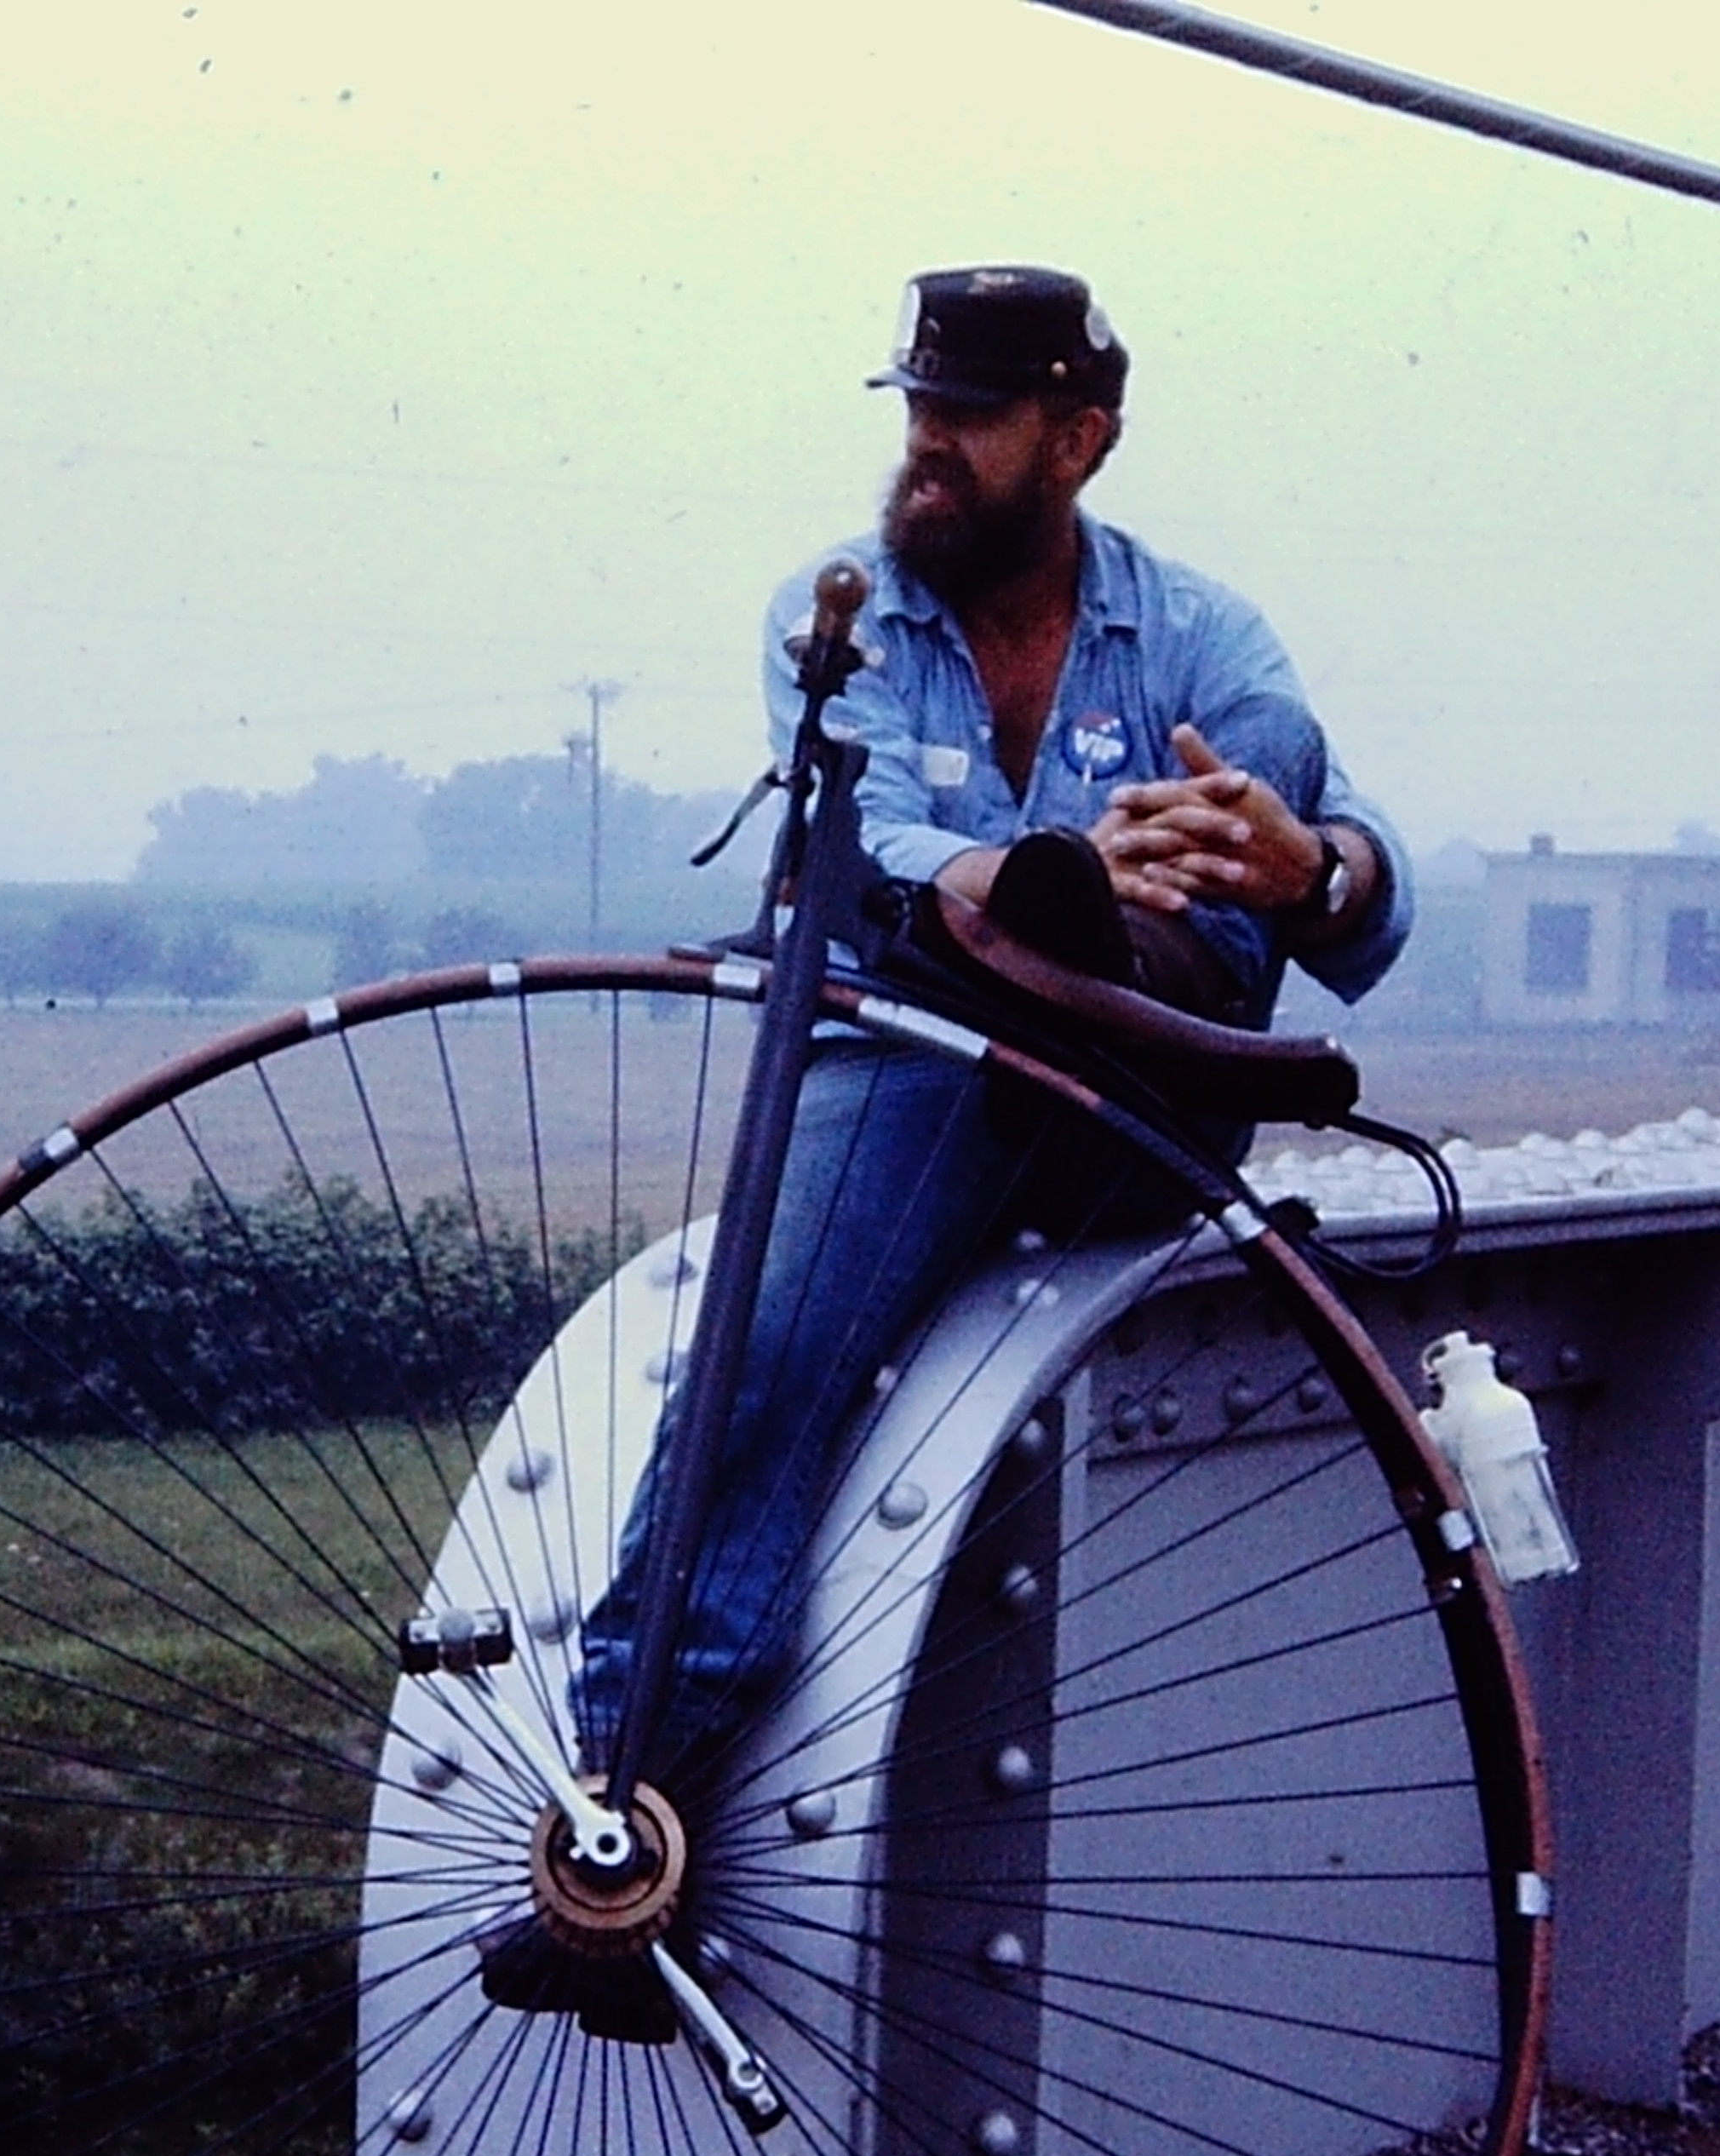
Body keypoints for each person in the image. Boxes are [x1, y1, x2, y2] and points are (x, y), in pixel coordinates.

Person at [537, 267, 1413, 1952]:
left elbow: (1338, 866)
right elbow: (866, 849)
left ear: (1079, 438)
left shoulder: (1210, 640)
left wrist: (1313, 868)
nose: (926, 449)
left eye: (971, 418)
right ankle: (627, 1784)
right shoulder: (842, 616)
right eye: (917, 410)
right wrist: (1038, 880)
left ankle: (1095, 950)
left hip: (1133, 1092)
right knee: (773, 1338)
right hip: (914, 1052)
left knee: (1225, 835)